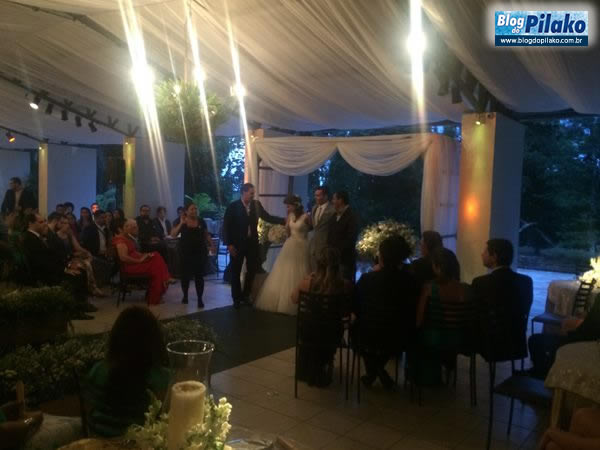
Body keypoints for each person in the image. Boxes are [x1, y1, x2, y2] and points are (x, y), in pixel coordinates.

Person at [85, 306, 170, 437]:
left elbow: (90, 412)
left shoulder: (97, 370)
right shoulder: (161, 378)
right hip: (138, 443)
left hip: (97, 441)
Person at [353, 236, 419, 389]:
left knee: (359, 330)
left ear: (381, 257)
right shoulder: (410, 281)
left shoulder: (367, 279)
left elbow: (356, 306)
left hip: (367, 334)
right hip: (398, 335)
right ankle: (378, 371)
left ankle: (373, 372)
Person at [291, 247, 352, 386]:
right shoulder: (344, 285)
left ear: (318, 263)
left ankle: (308, 367)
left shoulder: (308, 282)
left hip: (308, 332)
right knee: (328, 328)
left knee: (313, 326)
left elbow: (293, 298)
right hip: (332, 334)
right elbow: (347, 311)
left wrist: (306, 279)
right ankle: (322, 364)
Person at [469, 239, 533, 362]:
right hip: (516, 339)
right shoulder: (526, 281)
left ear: (494, 257)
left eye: (485, 252)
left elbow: (475, 313)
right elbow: (526, 307)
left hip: (490, 342)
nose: (482, 254)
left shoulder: (480, 282)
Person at [223, 183, 284, 308]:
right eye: (251, 193)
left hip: (252, 244)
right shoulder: (233, 206)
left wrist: (283, 220)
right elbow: (226, 227)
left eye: (253, 193)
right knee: (236, 271)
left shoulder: (256, 205)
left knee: (251, 270)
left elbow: (267, 217)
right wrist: (229, 244)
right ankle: (236, 299)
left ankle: (246, 295)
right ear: (243, 192)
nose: (253, 196)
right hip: (237, 244)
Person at [415, 247, 467, 386]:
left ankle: (420, 376)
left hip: (434, 339)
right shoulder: (466, 289)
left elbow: (419, 321)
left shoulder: (429, 288)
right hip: (460, 340)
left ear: (437, 267)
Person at [21, 213, 92, 311]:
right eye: (41, 222)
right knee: (77, 275)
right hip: (44, 275)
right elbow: (41, 262)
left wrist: (67, 265)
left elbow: (52, 256)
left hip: (51, 269)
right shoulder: (30, 239)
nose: (45, 224)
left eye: (45, 221)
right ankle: (76, 308)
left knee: (80, 270)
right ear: (31, 223)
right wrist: (64, 269)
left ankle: (82, 305)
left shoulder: (38, 236)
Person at [255, 194, 311, 315]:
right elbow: (288, 232)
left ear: (295, 205)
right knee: (285, 271)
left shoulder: (306, 217)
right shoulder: (290, 216)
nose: (287, 208)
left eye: (289, 206)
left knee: (300, 270)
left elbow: (311, 230)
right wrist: (278, 233)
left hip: (302, 246)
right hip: (290, 245)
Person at [526, 296, 600, 379]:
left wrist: (570, 331)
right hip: (586, 339)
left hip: (582, 341)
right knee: (538, 341)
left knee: (535, 341)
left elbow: (589, 329)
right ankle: (544, 371)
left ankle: (543, 373)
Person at [113, 219, 173, 305]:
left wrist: (144, 255)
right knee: (156, 267)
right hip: (130, 267)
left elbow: (133, 252)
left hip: (136, 263)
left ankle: (163, 281)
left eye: (136, 227)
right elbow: (123, 258)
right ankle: (160, 287)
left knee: (155, 255)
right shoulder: (120, 240)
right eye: (133, 227)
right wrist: (139, 260)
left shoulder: (127, 238)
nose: (136, 229)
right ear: (124, 228)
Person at [170, 204, 213, 307]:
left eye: (195, 209)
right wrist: (181, 223)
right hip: (185, 253)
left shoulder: (201, 221)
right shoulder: (180, 221)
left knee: (199, 276)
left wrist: (211, 244)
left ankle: (200, 299)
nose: (194, 211)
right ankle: (185, 295)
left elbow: (206, 234)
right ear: (186, 211)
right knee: (185, 276)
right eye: (192, 209)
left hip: (200, 252)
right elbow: (173, 234)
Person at [56, 214, 104, 296]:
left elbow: (77, 247)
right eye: (64, 223)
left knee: (90, 262)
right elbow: (61, 253)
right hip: (67, 259)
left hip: (73, 257)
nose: (67, 225)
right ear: (59, 224)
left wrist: (87, 252)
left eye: (68, 223)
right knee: (87, 264)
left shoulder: (69, 235)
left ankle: (93, 287)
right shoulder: (56, 236)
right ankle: (92, 288)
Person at [327, 191, 359, 282]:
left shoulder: (352, 216)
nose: (332, 201)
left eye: (334, 199)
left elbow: (351, 238)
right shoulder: (334, 215)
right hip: (333, 260)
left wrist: (337, 251)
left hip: (345, 260)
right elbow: (330, 234)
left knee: (344, 284)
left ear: (340, 200)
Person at [308, 186, 335, 271]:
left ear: (326, 196)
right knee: (314, 271)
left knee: (324, 271)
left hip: (326, 246)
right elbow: (313, 226)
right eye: (315, 195)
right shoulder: (314, 208)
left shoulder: (332, 209)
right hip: (314, 245)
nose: (316, 198)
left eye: (319, 195)